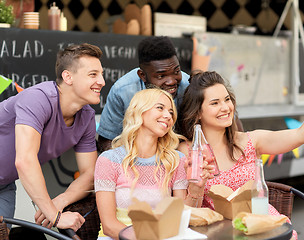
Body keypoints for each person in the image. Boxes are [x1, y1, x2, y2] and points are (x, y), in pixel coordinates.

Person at [177, 71, 304, 230]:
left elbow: (300, 135)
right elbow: (184, 214)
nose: (225, 107)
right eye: (215, 103)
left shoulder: (250, 141)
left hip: (264, 228)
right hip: (220, 233)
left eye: (227, 99)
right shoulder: (188, 152)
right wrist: (196, 188)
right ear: (198, 112)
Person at [0, 43, 105, 232]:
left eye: (101, 74)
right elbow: (25, 160)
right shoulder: (38, 99)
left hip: (4, 185)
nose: (102, 81)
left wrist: (60, 201)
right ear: (68, 76)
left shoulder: (86, 116)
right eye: (93, 74)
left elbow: (90, 174)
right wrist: (55, 217)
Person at [94, 88, 211, 239]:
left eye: (171, 112)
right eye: (160, 108)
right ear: (139, 111)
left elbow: (182, 218)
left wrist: (196, 189)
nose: (168, 116)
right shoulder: (108, 160)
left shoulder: (176, 160)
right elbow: (109, 226)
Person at [97, 36, 190, 152]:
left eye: (176, 72)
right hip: (133, 158)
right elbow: (106, 140)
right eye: (161, 76)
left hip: (175, 156)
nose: (171, 81)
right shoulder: (123, 91)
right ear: (142, 75)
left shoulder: (188, 87)